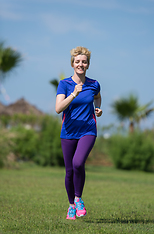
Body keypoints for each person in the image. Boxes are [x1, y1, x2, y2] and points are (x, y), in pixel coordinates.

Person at [55, 46, 102, 220]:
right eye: (77, 62)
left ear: (88, 64)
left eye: (84, 62)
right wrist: (74, 94)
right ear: (72, 64)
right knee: (69, 171)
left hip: (88, 130)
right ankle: (71, 206)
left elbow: (97, 96)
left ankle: (79, 198)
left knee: (78, 163)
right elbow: (58, 108)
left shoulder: (94, 84)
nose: (80, 64)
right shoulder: (64, 84)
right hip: (68, 132)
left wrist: (97, 108)